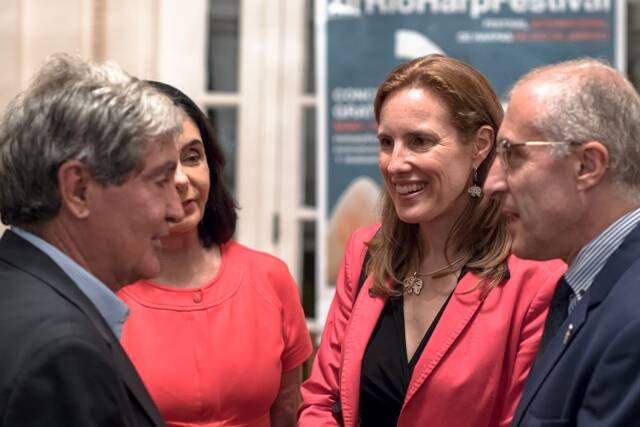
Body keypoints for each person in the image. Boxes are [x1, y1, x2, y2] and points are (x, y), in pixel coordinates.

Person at [299, 54, 565, 427]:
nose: (395, 163)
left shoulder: (536, 278)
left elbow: (520, 420)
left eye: (420, 141)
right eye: (386, 142)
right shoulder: (365, 252)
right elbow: (322, 400)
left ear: (480, 145)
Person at [0, 54, 185, 426]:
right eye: (160, 181)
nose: (176, 210)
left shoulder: (17, 288)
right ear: (78, 189)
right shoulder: (60, 353)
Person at [117, 81, 313, 427]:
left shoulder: (269, 277)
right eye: (158, 163)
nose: (180, 178)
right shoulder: (104, 291)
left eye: (192, 156)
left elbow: (289, 414)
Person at [484, 58, 640, 426]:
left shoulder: (631, 320)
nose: (491, 184)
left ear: (587, 166)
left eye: (513, 155)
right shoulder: (587, 290)